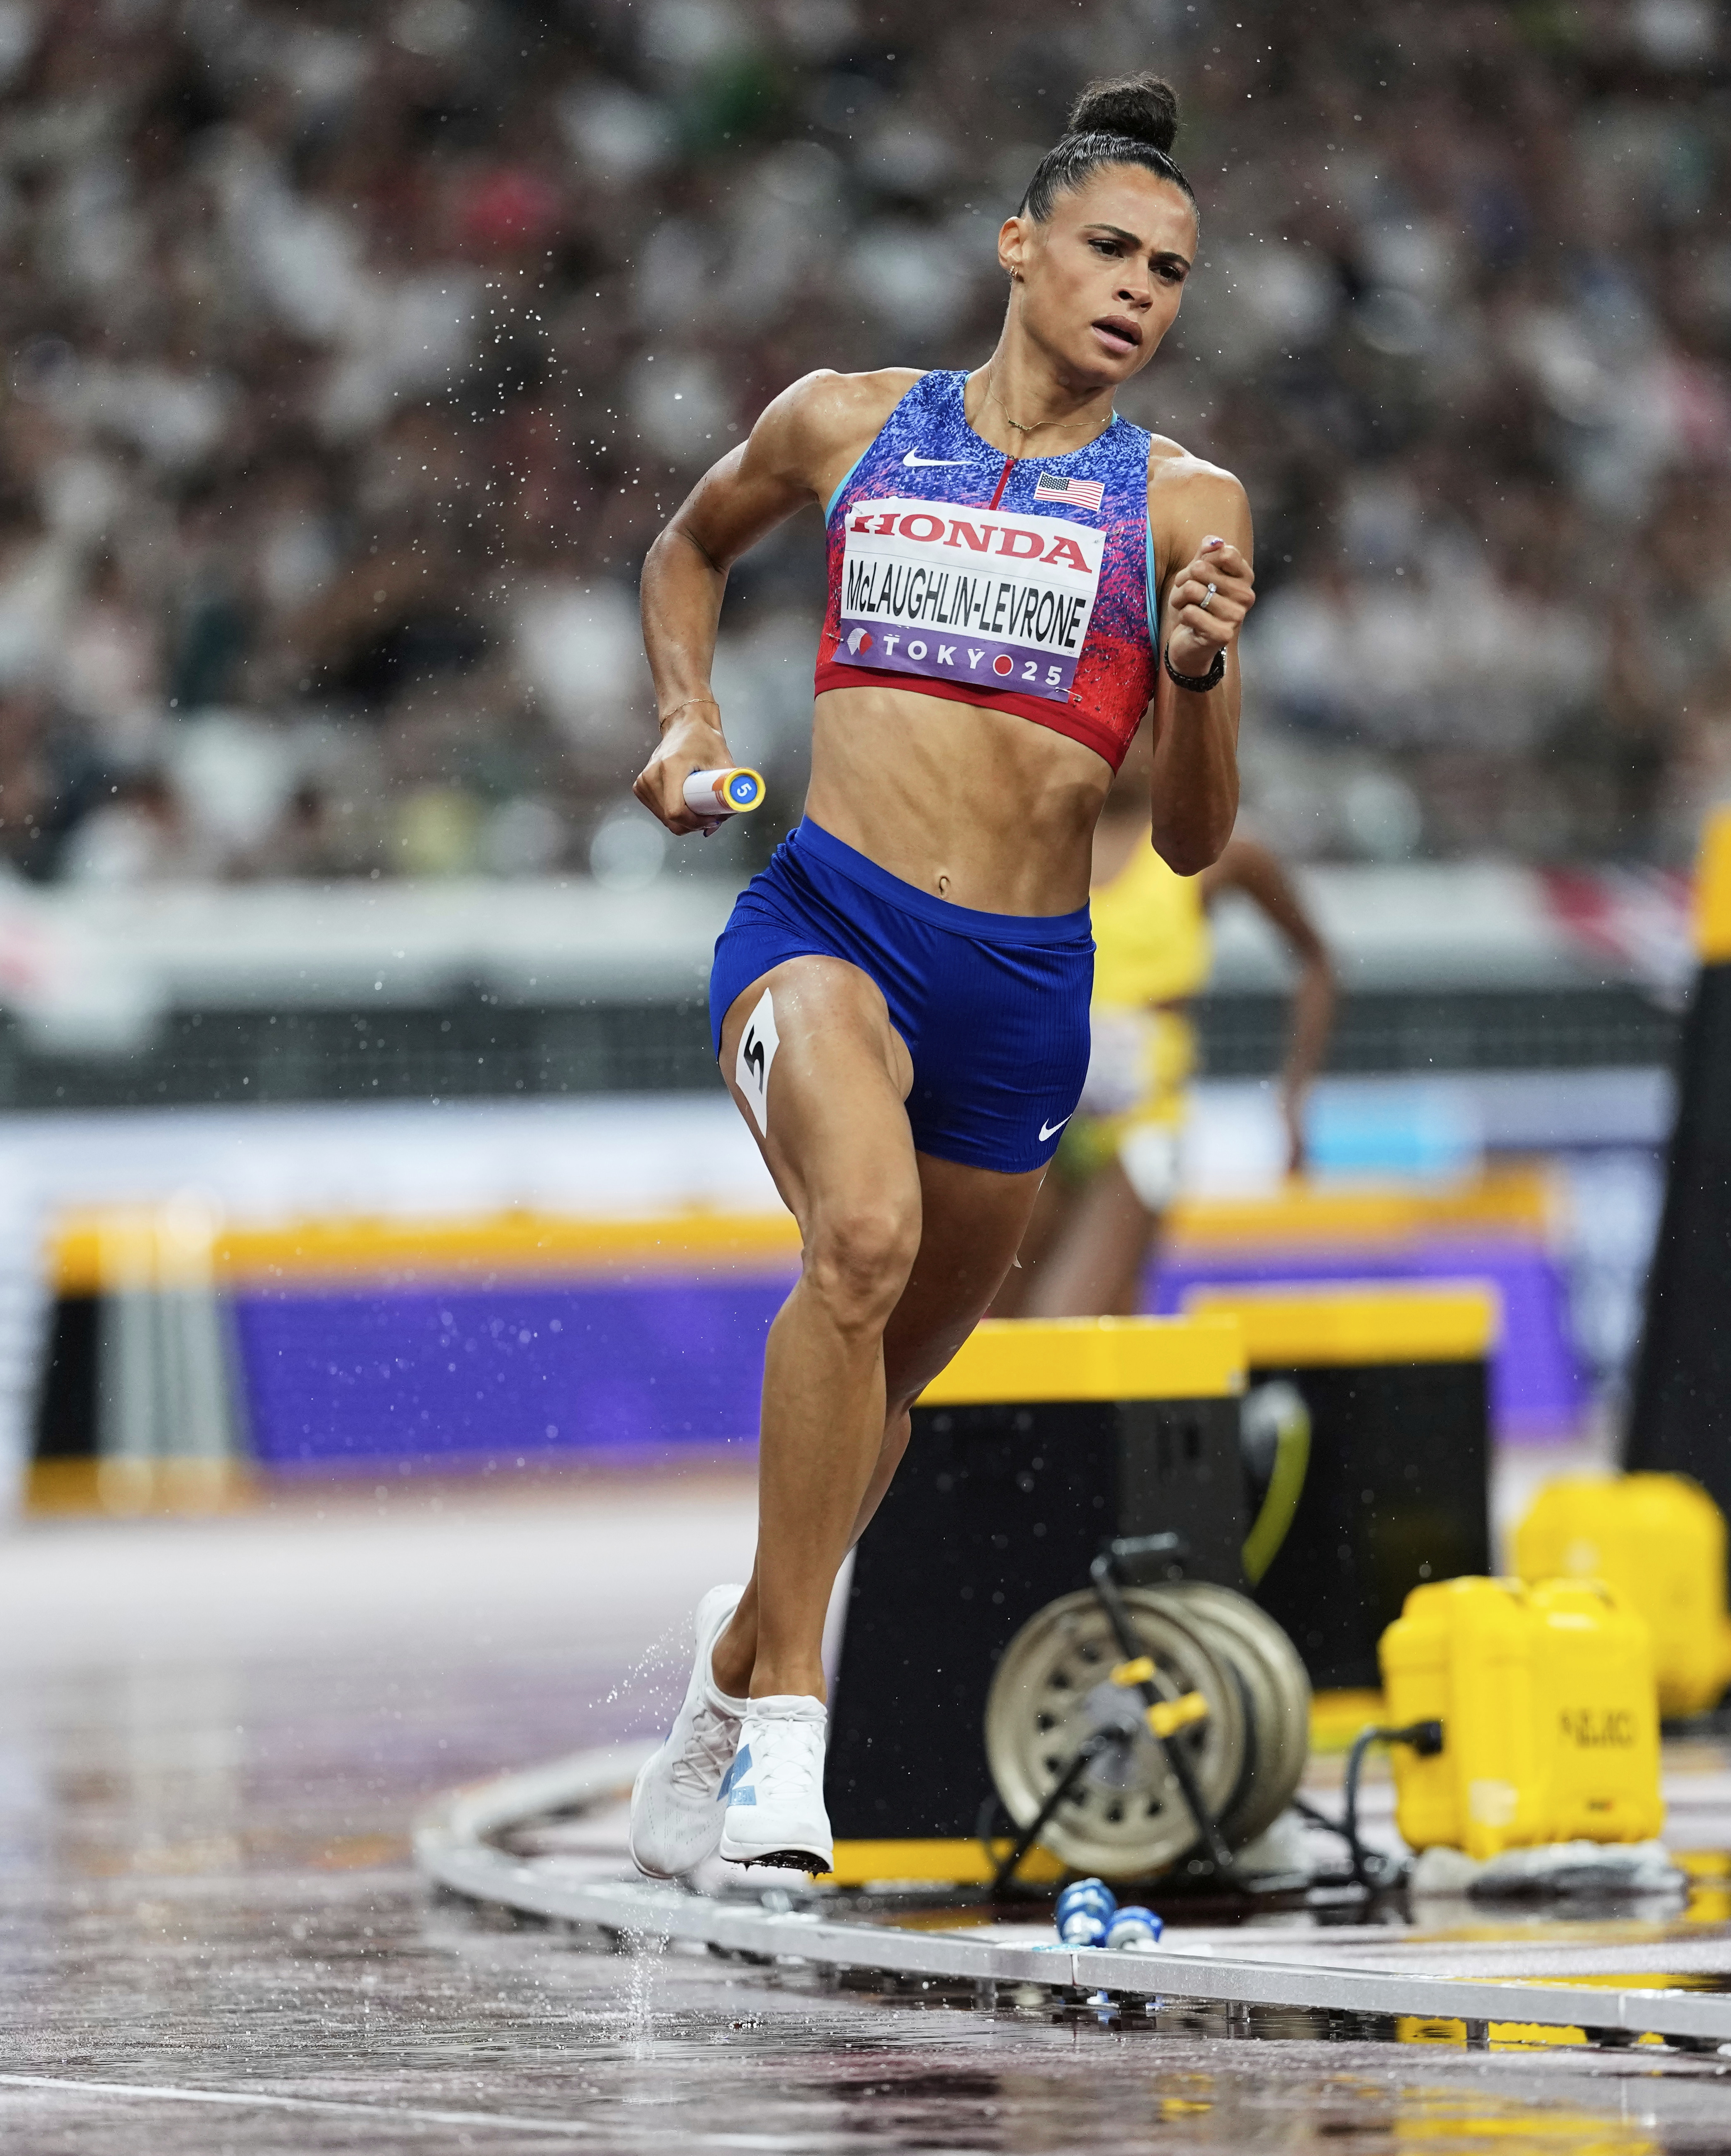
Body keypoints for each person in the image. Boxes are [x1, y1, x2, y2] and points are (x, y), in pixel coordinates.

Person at [620, 74, 1256, 1878]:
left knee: (885, 1386)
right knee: (860, 1245)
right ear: (1018, 246)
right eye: (1109, 248)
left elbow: (1198, 841)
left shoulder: (1184, 505)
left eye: (1171, 269)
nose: (1139, 287)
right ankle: (790, 1746)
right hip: (824, 925)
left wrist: (1199, 681)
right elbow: (685, 550)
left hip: (1020, 997)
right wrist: (686, 717)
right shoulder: (844, 422)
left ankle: (733, 1667)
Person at [992, 749, 1336, 1318]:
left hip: (1143, 1126)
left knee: (1064, 1320)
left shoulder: (1212, 851)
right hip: (1035, 1117)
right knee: (1003, 1327)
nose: (1123, 742)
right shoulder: (1033, 839)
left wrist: (1293, 1102)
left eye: (1143, 724)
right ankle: (1137, 1398)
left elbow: (1316, 962)